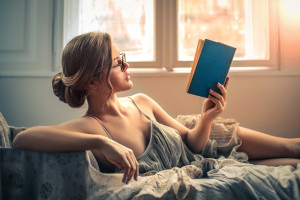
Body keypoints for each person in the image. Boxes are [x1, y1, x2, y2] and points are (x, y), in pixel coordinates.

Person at [12, 32, 300, 185]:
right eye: (118, 62)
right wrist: (101, 142)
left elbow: (192, 143)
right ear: (93, 80)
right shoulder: (91, 127)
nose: (127, 65)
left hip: (208, 143)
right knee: (292, 167)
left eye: (122, 57)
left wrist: (208, 117)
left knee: (293, 148)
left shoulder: (142, 101)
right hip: (206, 166)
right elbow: (22, 139)